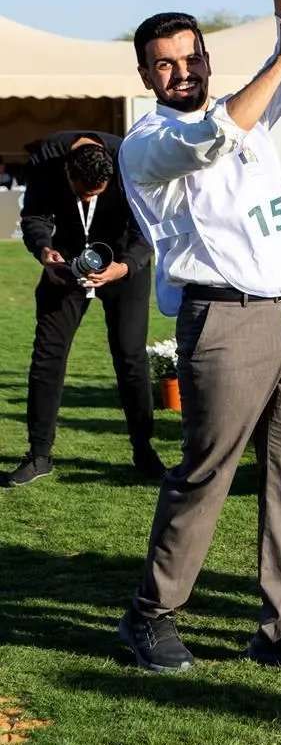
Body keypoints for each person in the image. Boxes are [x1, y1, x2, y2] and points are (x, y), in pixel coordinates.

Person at [114, 0, 281, 675]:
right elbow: (221, 133)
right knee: (206, 475)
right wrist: (277, 56)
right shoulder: (149, 143)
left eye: (192, 58)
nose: (183, 71)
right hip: (225, 322)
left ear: (207, 58)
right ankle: (151, 616)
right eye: (166, 64)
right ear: (147, 75)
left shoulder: (237, 104)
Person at [7, 133, 163, 487]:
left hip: (123, 266)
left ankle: (143, 449)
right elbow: (34, 214)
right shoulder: (46, 158)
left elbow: (147, 225)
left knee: (131, 358)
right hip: (64, 266)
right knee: (47, 356)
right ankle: (39, 454)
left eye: (97, 193)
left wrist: (124, 267)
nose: (89, 200)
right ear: (67, 171)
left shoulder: (130, 157)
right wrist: (44, 250)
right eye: (83, 193)